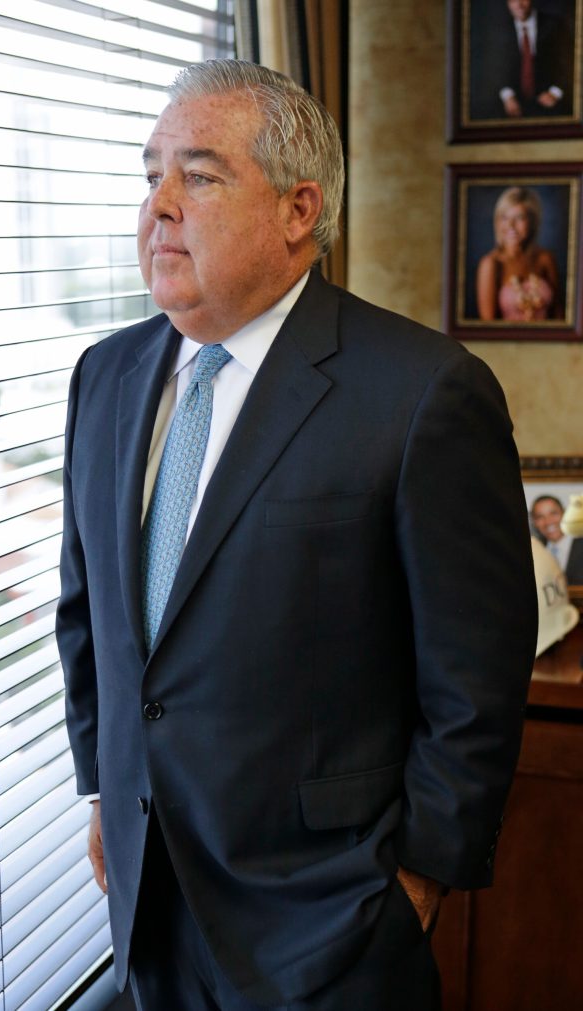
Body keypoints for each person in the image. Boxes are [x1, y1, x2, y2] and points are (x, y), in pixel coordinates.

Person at [56, 59, 538, 1011]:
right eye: (150, 173)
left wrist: (418, 885)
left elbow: (475, 676)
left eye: (198, 175)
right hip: (146, 899)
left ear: (298, 208)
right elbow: (88, 611)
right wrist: (106, 789)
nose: (158, 205)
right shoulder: (102, 376)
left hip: (328, 923)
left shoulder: (423, 393)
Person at [470, 0, 573, 120]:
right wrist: (508, 96)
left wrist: (555, 92)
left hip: (550, 99)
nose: (519, 4)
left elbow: (571, 62)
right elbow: (493, 69)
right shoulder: (497, 29)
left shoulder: (554, 24)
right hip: (511, 100)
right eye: (513, 0)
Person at [475, 186, 561, 321]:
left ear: (532, 221)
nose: (510, 225)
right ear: (497, 221)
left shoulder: (545, 259)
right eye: (504, 217)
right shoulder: (491, 264)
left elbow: (559, 316)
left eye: (519, 217)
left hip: (549, 341)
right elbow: (488, 326)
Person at [531, 494, 583, 583]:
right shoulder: (535, 553)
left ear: (565, 514)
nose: (548, 521)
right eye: (540, 517)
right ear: (534, 522)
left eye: (553, 513)